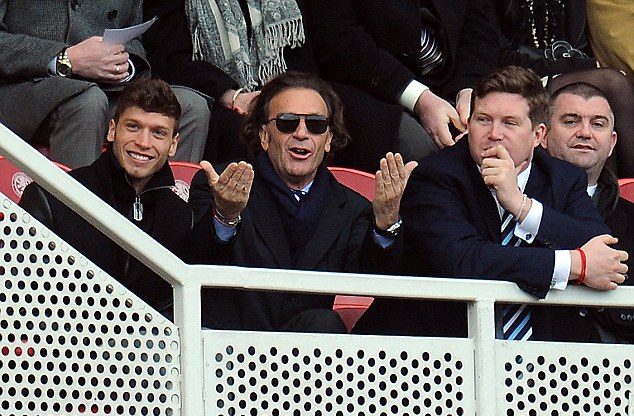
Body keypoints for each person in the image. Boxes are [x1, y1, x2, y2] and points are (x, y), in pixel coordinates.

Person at [354, 65, 628, 341]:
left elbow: (601, 247)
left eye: (510, 122)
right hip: (440, 354)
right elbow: (464, 260)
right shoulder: (436, 174)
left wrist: (523, 207)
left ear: (538, 135)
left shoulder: (562, 177)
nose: (494, 133)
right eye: (483, 120)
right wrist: (573, 264)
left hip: (537, 362)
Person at [188, 71, 416, 332]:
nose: (301, 133)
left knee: (325, 323)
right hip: (226, 353)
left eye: (316, 125)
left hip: (308, 359)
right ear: (264, 136)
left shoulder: (351, 208)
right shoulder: (221, 186)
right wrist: (225, 216)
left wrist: (386, 223)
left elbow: (377, 279)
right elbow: (192, 264)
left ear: (328, 139)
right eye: (287, 122)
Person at [18, 79, 216, 319]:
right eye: (133, 127)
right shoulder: (54, 197)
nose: (143, 143)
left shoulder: (180, 215)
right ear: (112, 130)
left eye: (158, 133)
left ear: (173, 144)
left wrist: (226, 213)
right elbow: (23, 295)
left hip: (149, 350)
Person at [143, 0, 414, 173]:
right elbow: (170, 58)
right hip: (217, 96)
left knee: (361, 119)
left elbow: (301, 50)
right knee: (249, 131)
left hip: (284, 87)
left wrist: (283, 91)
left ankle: (353, 223)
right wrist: (232, 94)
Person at [0, 0, 210, 169]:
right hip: (23, 87)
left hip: (107, 88)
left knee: (191, 107)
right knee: (88, 103)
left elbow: (135, 37)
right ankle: (77, 218)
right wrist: (65, 58)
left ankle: (165, 216)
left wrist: (122, 64)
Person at [302, 0, 500, 162]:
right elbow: (338, 43)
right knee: (421, 148)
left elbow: (479, 26)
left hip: (454, 74)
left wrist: (468, 89)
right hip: (370, 87)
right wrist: (419, 99)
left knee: (507, 130)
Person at [493, 0, 634, 178]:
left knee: (601, 102)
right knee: (611, 82)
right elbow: (496, 56)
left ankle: (609, 196)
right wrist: (582, 66)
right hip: (513, 76)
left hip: (565, 68)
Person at [544, 82, 634, 342]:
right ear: (543, 134)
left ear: (612, 142)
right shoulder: (516, 205)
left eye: (598, 124)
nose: (585, 132)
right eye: (571, 121)